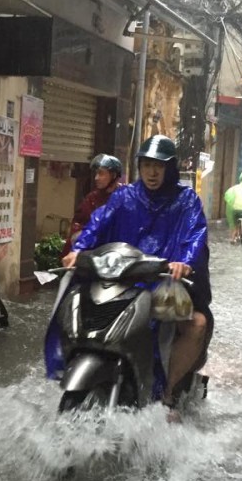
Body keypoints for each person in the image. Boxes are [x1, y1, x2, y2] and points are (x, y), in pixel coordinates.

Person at [62, 135, 212, 423]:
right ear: (139, 167)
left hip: (165, 283)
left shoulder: (186, 200)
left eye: (159, 166)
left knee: (196, 325)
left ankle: (166, 393)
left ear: (170, 168)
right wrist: (78, 252)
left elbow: (196, 234)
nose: (152, 173)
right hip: (122, 280)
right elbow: (97, 224)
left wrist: (186, 263)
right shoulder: (123, 197)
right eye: (146, 165)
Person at [61, 154, 124, 257]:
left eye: (101, 173)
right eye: (96, 174)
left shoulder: (126, 197)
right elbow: (77, 228)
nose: (96, 178)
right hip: (93, 256)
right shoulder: (92, 198)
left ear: (113, 175)